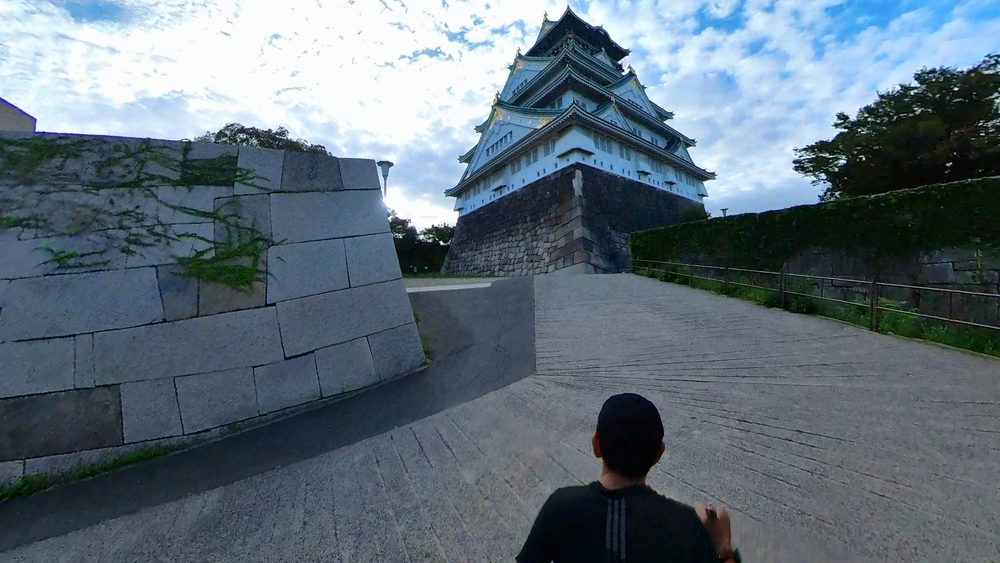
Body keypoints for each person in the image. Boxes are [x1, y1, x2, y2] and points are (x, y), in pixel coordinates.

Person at [516, 393, 741, 563]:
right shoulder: (685, 525)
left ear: (596, 445)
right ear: (659, 454)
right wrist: (722, 547)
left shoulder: (560, 507)